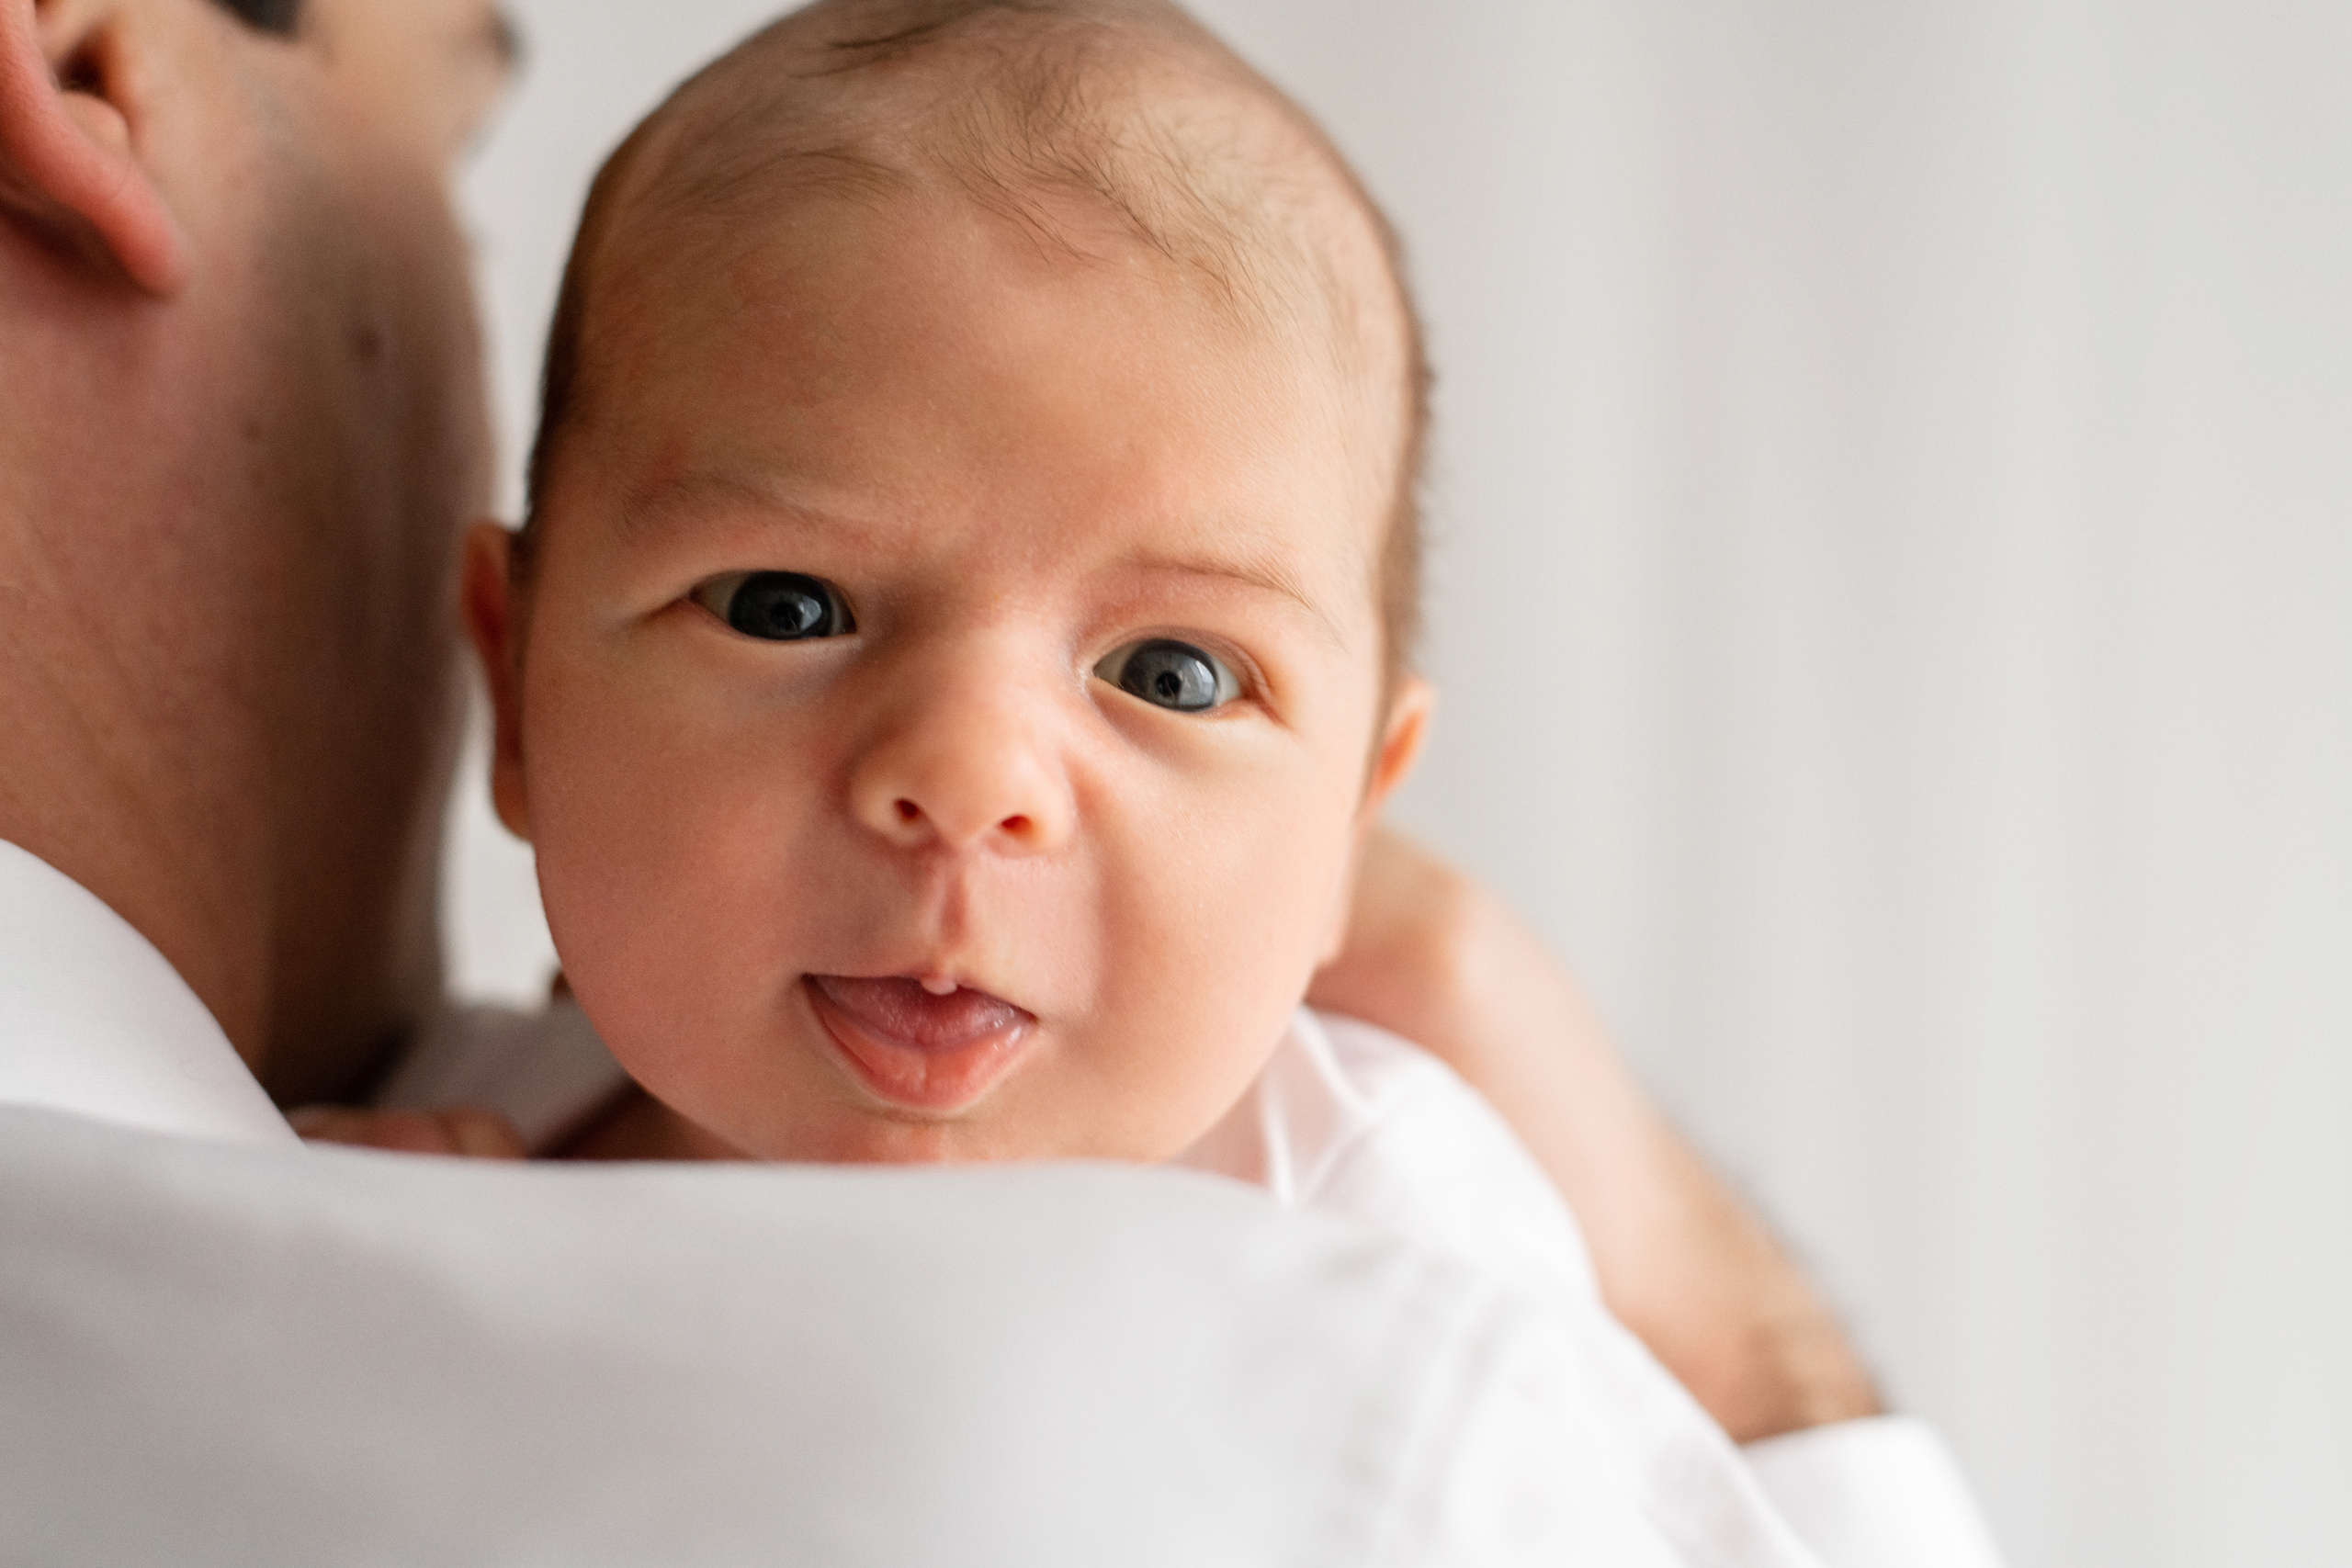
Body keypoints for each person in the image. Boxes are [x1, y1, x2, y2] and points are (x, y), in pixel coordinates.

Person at [0, 0, 2002, 1562]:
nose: (963, 783)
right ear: (516, 685)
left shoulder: (1385, 1245)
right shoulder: (475, 1124)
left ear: (1349, 826)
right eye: (785, 601)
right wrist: (394, 1270)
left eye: (1171, 669)